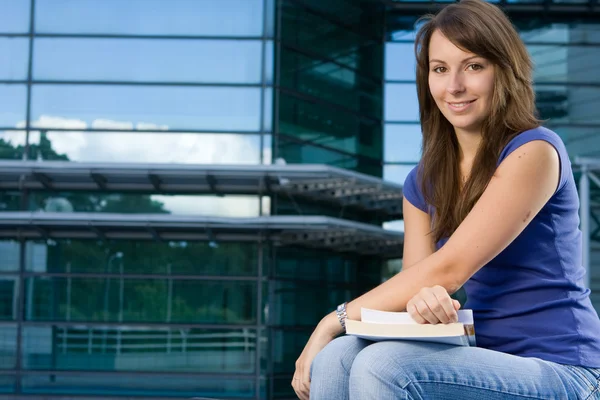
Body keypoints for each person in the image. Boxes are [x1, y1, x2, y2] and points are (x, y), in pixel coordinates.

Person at [291, 0, 600, 398]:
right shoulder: (422, 182)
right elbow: (416, 286)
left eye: (473, 66)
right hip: (477, 356)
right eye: (440, 69)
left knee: (383, 364)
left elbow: (449, 268)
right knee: (338, 356)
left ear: (504, 71)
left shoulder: (534, 152)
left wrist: (331, 320)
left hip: (564, 370)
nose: (453, 86)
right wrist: (425, 301)